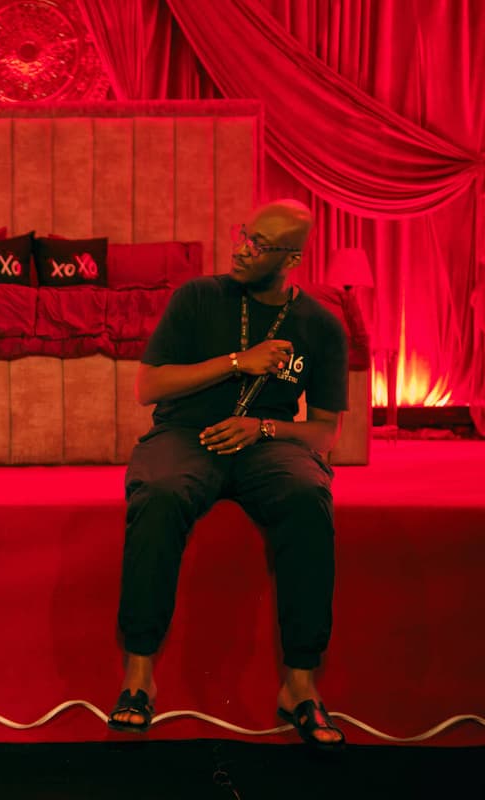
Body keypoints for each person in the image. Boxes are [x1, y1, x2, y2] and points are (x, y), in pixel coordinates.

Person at [106, 199, 349, 751]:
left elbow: (324, 433)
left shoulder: (321, 327)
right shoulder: (197, 297)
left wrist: (261, 428)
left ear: (292, 258)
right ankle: (139, 676)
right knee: (159, 492)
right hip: (185, 434)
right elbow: (148, 387)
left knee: (308, 495)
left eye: (259, 244)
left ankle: (300, 684)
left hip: (267, 443)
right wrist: (240, 361)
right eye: (244, 234)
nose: (241, 248)